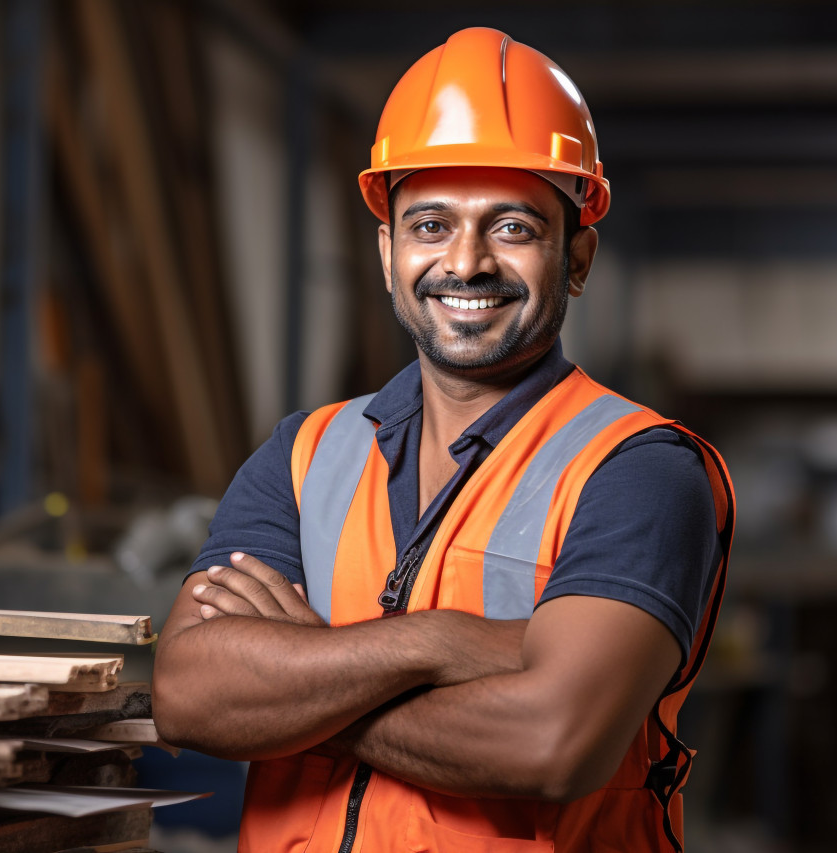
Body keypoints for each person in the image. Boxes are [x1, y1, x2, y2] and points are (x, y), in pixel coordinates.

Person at [153, 27, 734, 853]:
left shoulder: (639, 470)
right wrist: (438, 641)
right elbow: (187, 694)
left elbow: (552, 742)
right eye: (430, 224)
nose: (465, 261)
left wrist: (304, 679)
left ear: (578, 255)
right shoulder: (306, 453)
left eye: (513, 228)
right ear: (388, 250)